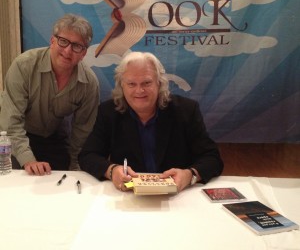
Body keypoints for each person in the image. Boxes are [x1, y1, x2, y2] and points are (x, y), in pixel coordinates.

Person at [79, 51, 223, 192]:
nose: (139, 90)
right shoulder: (108, 112)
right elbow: (88, 156)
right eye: (131, 84)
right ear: (121, 86)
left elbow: (212, 158)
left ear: (159, 84)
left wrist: (190, 175)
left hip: (176, 196)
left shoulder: (186, 110)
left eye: (147, 83)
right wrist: (111, 171)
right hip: (129, 196)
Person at [0, 13, 99, 175]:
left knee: (63, 180)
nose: (67, 51)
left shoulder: (89, 83)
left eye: (76, 46)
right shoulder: (23, 66)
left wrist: (76, 167)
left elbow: (82, 133)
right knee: (19, 181)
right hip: (13, 136)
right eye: (63, 41)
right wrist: (28, 160)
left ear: (83, 53)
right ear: (52, 41)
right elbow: (11, 123)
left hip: (53, 137)